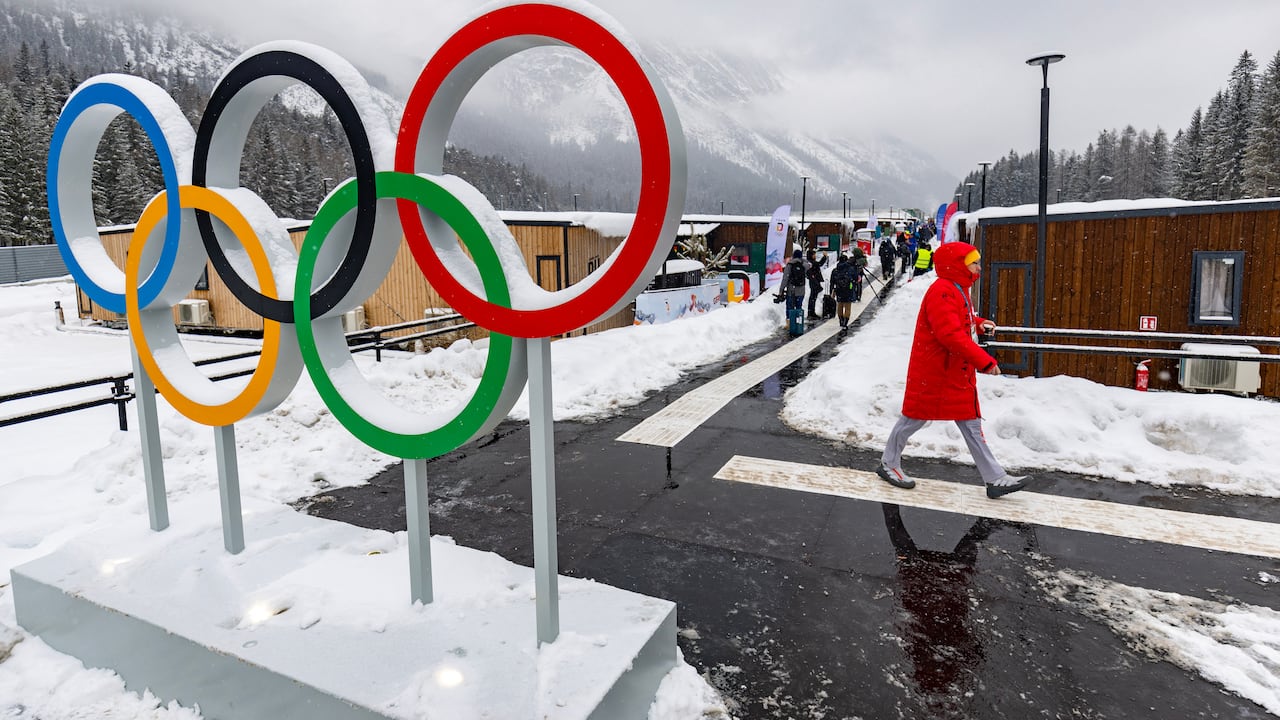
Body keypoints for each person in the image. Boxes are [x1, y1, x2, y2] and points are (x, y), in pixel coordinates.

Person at [876, 241, 1032, 499]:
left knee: (970, 423)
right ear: (958, 264)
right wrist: (984, 361)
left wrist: (978, 324)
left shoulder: (957, 288)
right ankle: (888, 463)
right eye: (974, 262)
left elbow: (959, 321)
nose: (979, 267)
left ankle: (995, 478)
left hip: (952, 372)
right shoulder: (943, 291)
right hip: (936, 373)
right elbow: (950, 334)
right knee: (914, 418)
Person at [829, 254, 857, 328]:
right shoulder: (850, 269)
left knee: (840, 304)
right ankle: (845, 321)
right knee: (848, 306)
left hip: (839, 290)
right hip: (848, 290)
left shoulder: (835, 270)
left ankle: (841, 319)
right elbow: (856, 278)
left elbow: (832, 281)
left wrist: (832, 290)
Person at [780, 248, 808, 317]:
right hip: (801, 290)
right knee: (799, 307)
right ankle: (798, 323)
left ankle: (790, 323)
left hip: (791, 290)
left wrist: (781, 290)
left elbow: (785, 278)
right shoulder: (805, 265)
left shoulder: (790, 265)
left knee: (790, 308)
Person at [804, 248, 827, 319]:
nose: (815, 256)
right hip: (814, 281)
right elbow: (819, 264)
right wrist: (824, 257)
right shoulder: (811, 263)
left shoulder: (810, 262)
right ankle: (811, 313)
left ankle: (811, 312)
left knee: (813, 297)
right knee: (813, 297)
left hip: (814, 281)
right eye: (814, 255)